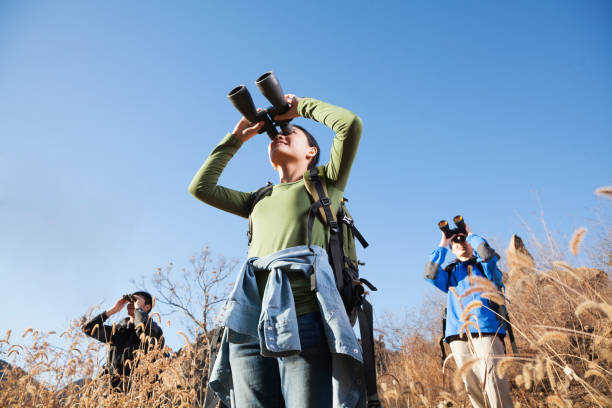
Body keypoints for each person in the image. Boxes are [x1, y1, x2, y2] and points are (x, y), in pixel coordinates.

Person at [189, 94, 365, 407]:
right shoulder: (257, 199)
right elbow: (200, 188)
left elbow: (349, 125)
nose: (279, 135)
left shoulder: (327, 183)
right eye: (275, 134)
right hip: (248, 323)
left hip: (306, 317)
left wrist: (301, 108)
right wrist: (237, 138)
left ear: (311, 152)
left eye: (291, 133)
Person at [424, 223, 514, 408]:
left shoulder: (485, 267)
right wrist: (444, 241)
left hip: (486, 330)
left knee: (493, 382)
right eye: (456, 243)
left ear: (471, 244)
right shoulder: (450, 273)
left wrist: (470, 233)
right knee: (472, 387)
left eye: (464, 240)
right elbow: (430, 273)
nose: (461, 243)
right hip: (458, 335)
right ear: (452, 250)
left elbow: (487, 254)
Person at [81, 291, 164, 391]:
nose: (131, 303)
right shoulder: (118, 332)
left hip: (139, 393)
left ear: (147, 307)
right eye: (130, 301)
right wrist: (113, 310)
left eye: (136, 301)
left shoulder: (154, 330)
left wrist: (137, 309)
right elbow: (88, 329)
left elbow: (143, 331)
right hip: (114, 395)